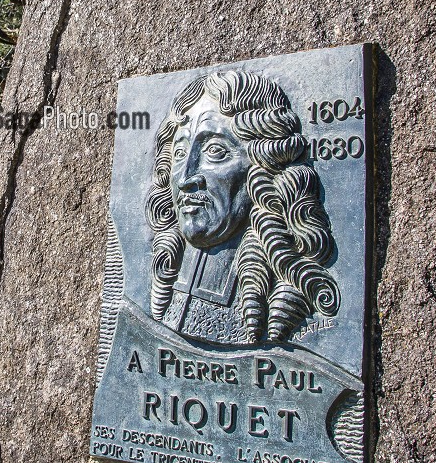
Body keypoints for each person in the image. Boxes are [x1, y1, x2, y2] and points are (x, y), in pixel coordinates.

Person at [144, 69, 340, 346]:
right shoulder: (168, 272)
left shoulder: (284, 289)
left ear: (264, 168)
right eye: (179, 153)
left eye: (215, 151)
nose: (186, 178)